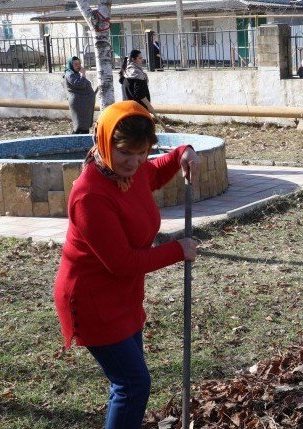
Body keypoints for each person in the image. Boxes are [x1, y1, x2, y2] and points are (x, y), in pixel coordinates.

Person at [53, 100, 199, 428]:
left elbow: (155, 172)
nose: (134, 162)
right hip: (92, 302)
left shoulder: (127, 173)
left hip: (124, 297)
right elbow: (121, 262)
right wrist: (179, 249)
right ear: (104, 143)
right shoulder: (90, 195)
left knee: (126, 383)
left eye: (142, 152)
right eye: (125, 153)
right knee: (133, 384)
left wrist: (182, 153)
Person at [120, 49, 172, 132]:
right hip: (138, 111)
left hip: (127, 110)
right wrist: (149, 106)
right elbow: (139, 94)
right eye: (140, 58)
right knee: (142, 134)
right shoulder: (137, 74)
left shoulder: (125, 73)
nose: (142, 60)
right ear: (133, 59)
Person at [63, 56, 95, 134]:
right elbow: (81, 84)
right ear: (71, 65)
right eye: (76, 64)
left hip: (83, 104)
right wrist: (83, 74)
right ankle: (75, 144)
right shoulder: (70, 74)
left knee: (84, 127)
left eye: (79, 63)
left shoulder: (75, 74)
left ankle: (80, 143)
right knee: (80, 127)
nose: (78, 66)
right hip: (79, 104)